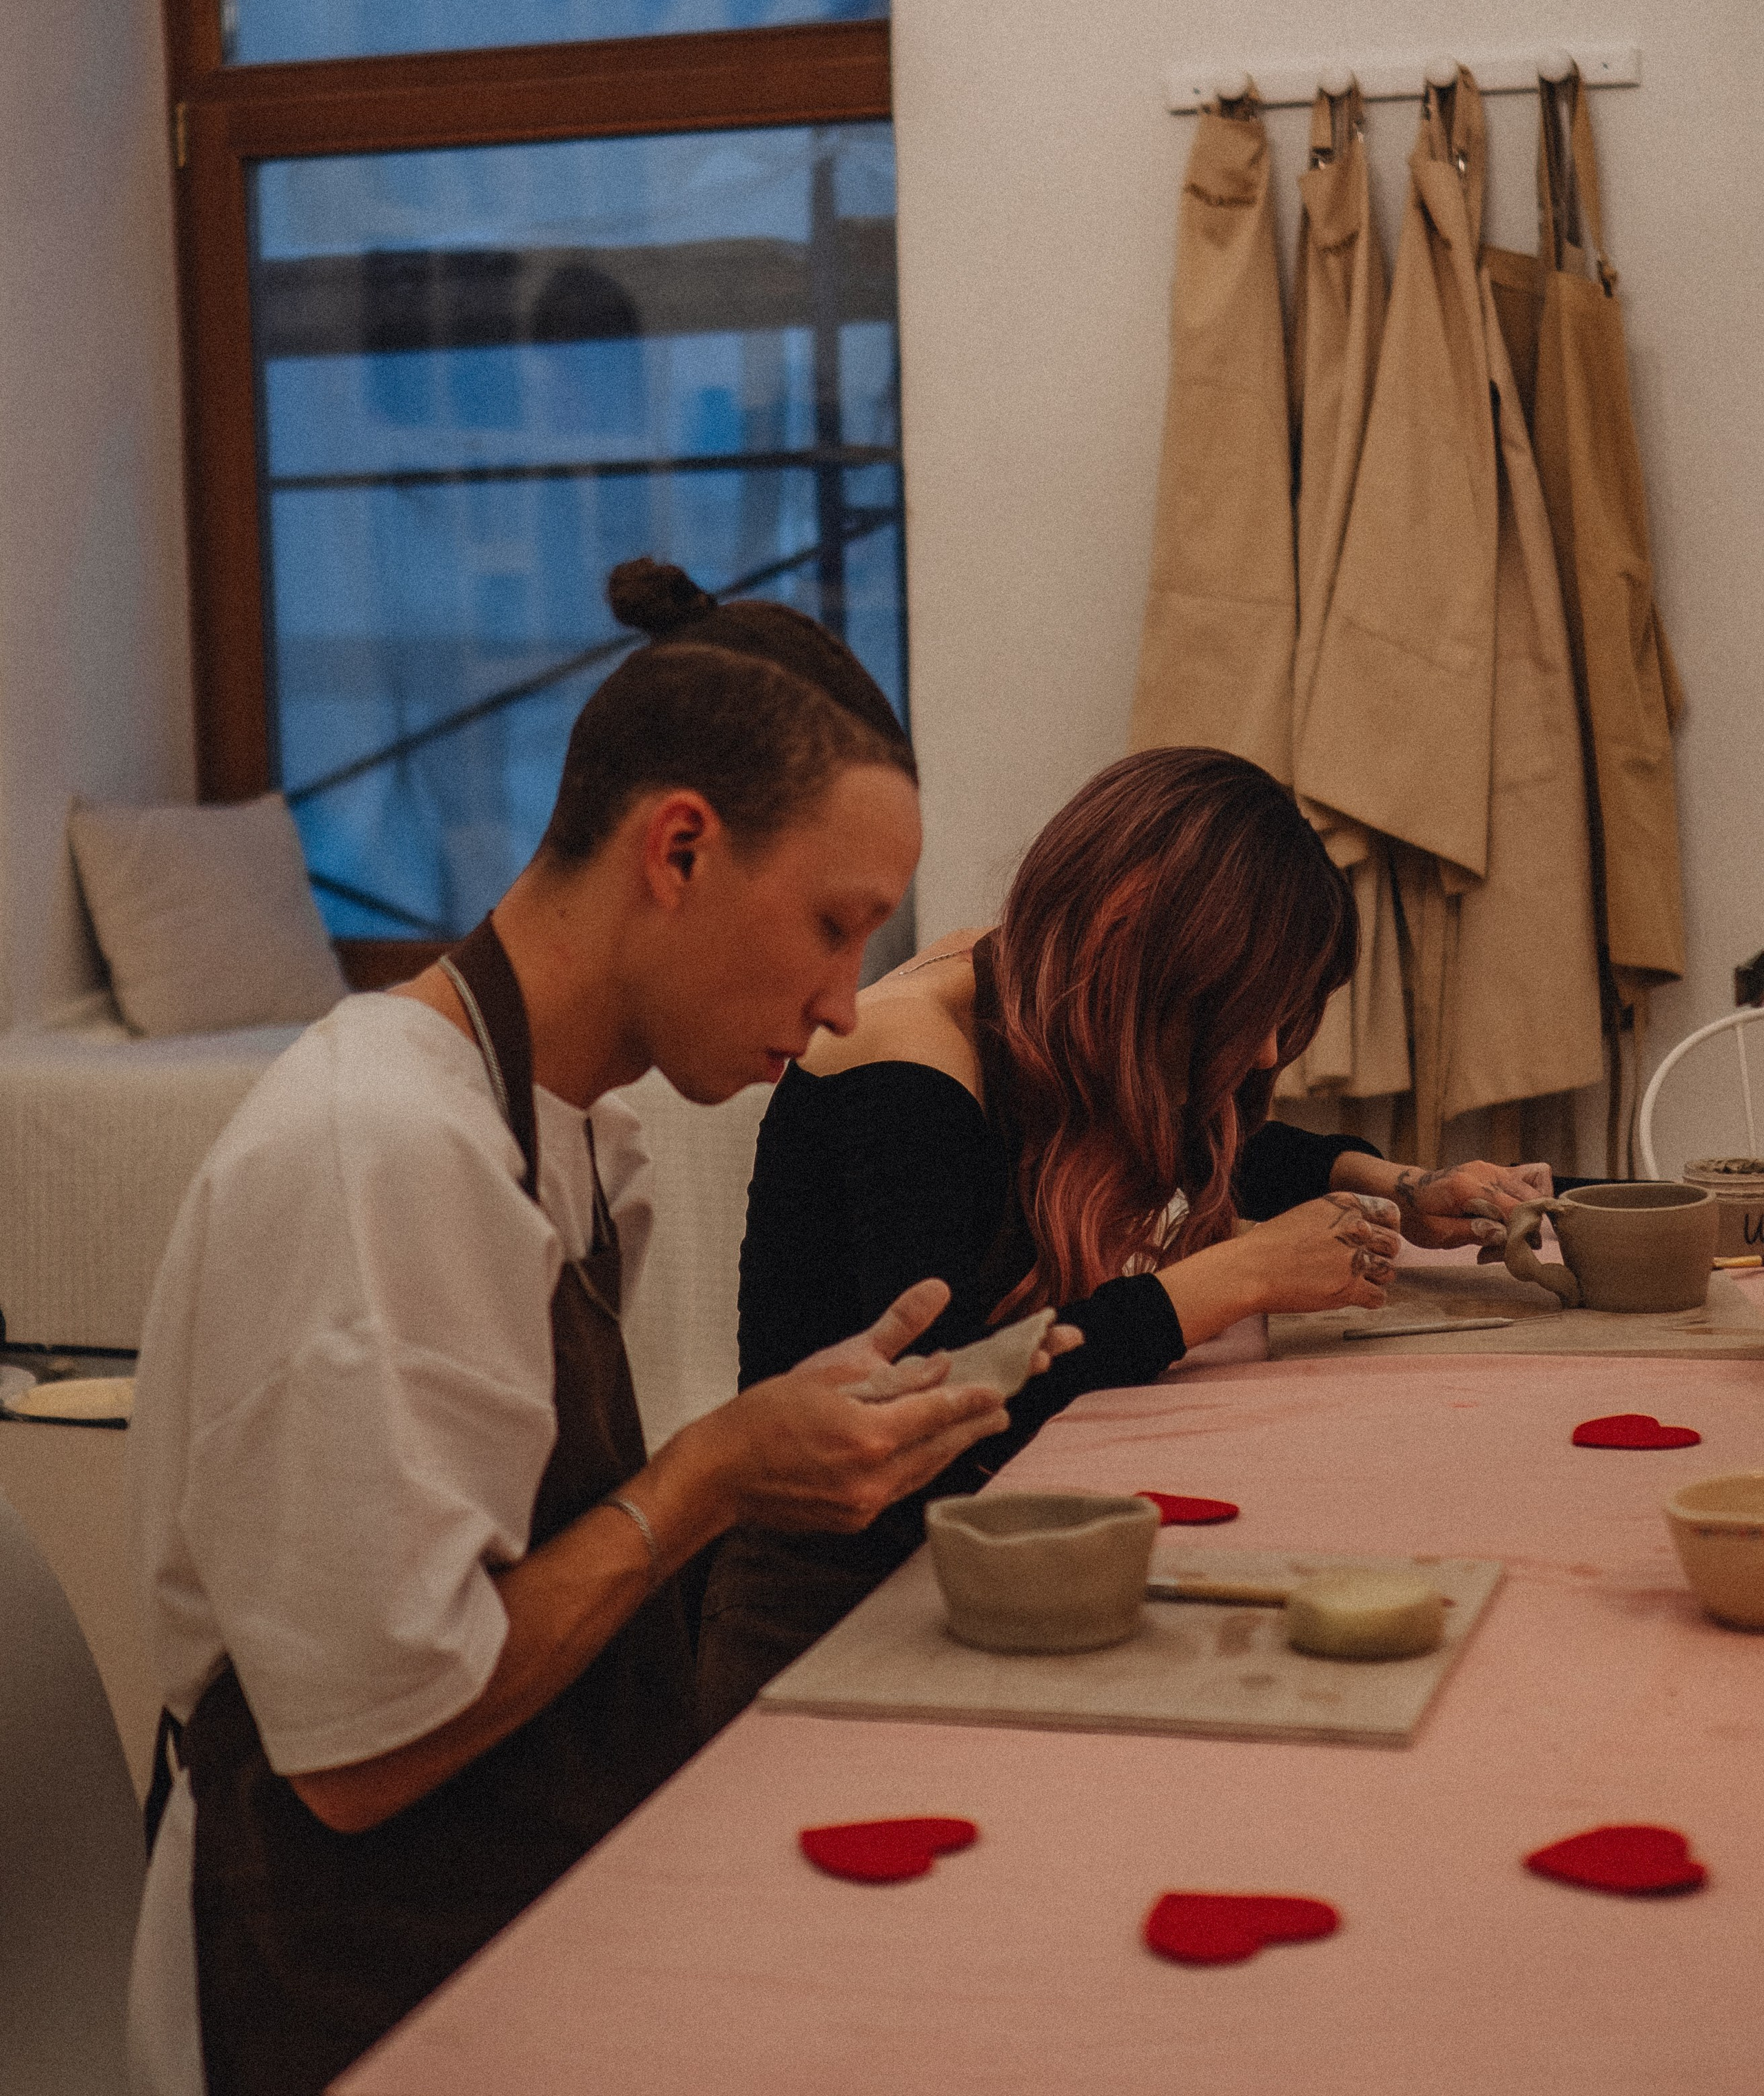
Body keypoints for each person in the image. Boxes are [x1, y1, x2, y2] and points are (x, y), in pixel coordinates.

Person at [127, 559, 1062, 2096]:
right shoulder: (382, 1151)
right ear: (677, 850)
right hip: (340, 1975)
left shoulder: (569, 1132)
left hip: (511, 1883)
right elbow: (364, 1756)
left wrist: (780, 1456)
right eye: (832, 928)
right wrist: (714, 1474)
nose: (846, 1003)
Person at [697, 746, 1553, 1731]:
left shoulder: (1033, 982)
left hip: (975, 1556)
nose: (1266, 1051)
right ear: (1142, 952)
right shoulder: (907, 1073)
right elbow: (954, 1396)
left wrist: (1400, 1184)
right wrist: (1233, 1280)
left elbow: (1197, 1129)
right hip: (830, 1600)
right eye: (1249, 1013)